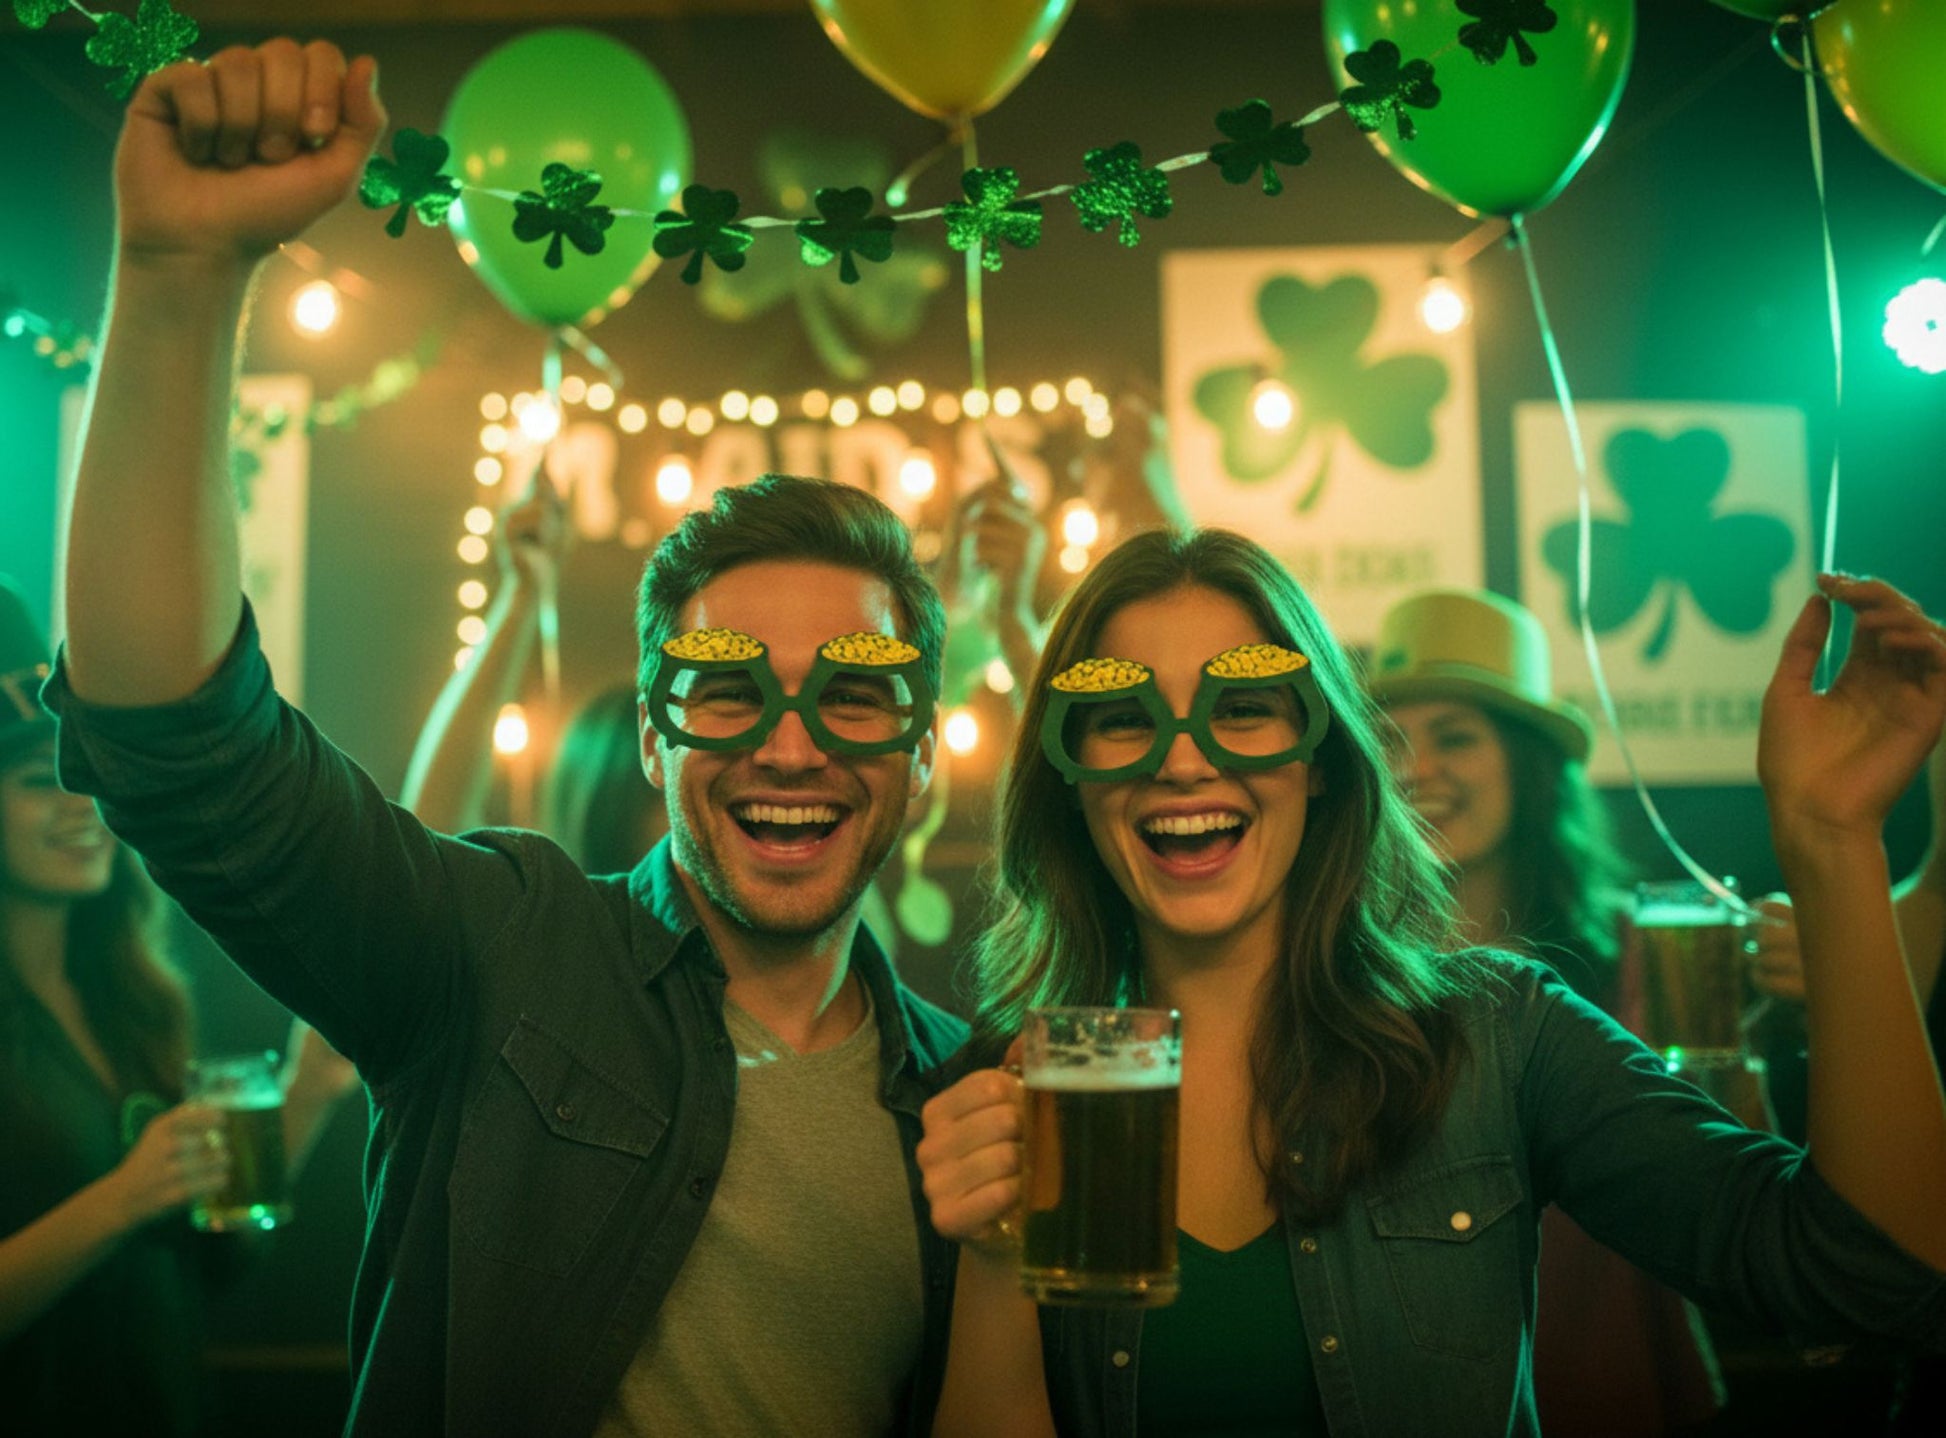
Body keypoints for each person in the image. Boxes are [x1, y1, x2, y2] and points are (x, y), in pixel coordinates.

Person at [47, 39, 965, 1438]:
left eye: (856, 689)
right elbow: (179, 744)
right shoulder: (496, 953)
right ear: (653, 738)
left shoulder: (972, 1096)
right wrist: (179, 281)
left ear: (920, 749)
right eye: (724, 686)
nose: (791, 742)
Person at [917, 528, 1946, 1438]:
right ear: (1070, 773)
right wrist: (998, 1246)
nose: (1182, 762)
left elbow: (1867, 1280)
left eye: (1243, 707)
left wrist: (1829, 834)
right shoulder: (997, 1086)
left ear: (1318, 757)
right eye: (1121, 718)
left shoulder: (1497, 1034)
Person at [0, 578, 355, 1437]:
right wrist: (124, 1196)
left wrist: (307, 1091)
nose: (80, 805)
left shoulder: (135, 996)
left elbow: (208, 1260)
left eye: (87, 776)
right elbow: (133, 1210)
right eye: (40, 781)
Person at [1368, 587, 1722, 1434]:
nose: (1419, 769)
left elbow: (1735, 1187)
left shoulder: (1642, 955)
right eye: (1393, 744)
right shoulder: (1339, 977)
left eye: (1455, 736)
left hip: (1611, 1381)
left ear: (1529, 766)